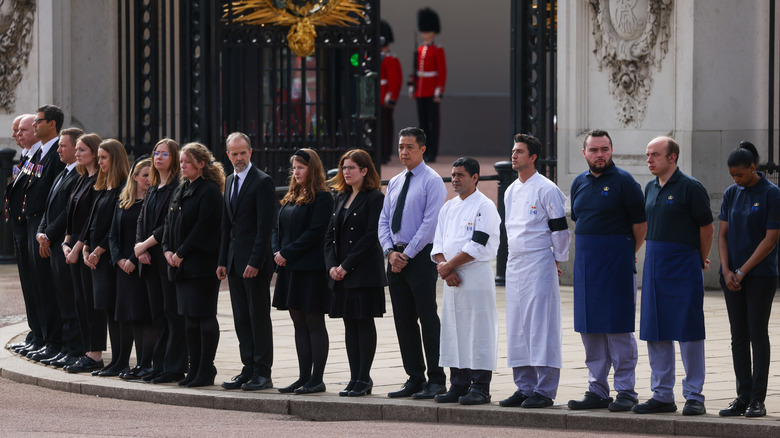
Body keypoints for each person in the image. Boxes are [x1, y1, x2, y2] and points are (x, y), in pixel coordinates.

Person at [633, 136, 713, 416]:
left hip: (683, 266)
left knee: (689, 331)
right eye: (647, 155)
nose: (649, 160)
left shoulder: (691, 187)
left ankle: (694, 395)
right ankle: (662, 394)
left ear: (672, 158)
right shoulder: (650, 188)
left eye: (655, 154)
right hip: (655, 266)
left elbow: (707, 228)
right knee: (656, 331)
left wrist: (698, 258)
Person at [567, 129, 646, 412]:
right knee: (590, 330)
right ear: (584, 153)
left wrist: (626, 254)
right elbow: (578, 220)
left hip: (616, 267)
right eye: (594, 150)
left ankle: (626, 390)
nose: (600, 155)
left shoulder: (625, 182)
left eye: (605, 149)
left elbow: (640, 226)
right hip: (587, 268)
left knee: (618, 329)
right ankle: (597, 390)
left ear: (611, 151)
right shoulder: (578, 183)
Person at [500, 133, 570, 409]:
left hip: (539, 261)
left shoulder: (547, 189)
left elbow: (560, 229)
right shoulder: (510, 191)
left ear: (533, 157)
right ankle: (524, 386)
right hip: (515, 262)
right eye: (513, 150)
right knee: (517, 325)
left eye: (519, 151)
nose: (514, 155)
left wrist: (557, 259)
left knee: (541, 324)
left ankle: (545, 388)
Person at [378, 127, 447, 399]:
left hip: (419, 259)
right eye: (400, 147)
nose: (404, 152)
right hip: (395, 258)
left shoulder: (431, 181)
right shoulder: (394, 182)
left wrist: (406, 255)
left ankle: (437, 378)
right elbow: (384, 221)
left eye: (409, 147)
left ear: (422, 150)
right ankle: (414, 377)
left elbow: (430, 224)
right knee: (403, 320)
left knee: (428, 318)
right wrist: (390, 252)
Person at [717, 141, 780, 418]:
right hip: (732, 277)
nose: (736, 180)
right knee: (737, 336)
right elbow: (723, 234)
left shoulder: (771, 194)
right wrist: (727, 269)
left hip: (760, 276)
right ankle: (742, 396)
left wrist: (742, 270)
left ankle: (758, 399)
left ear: (753, 168)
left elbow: (770, 239)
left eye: (740, 175)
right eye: (732, 175)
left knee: (757, 334)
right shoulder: (732, 193)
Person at [430, 157, 500, 406]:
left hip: (475, 275)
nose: (455, 179)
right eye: (453, 175)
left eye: (461, 175)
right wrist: (446, 269)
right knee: (454, 330)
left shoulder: (484, 206)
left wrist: (450, 265)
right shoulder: (448, 207)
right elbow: (438, 243)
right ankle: (458, 384)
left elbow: (477, 243)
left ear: (475, 178)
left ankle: (480, 386)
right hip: (452, 280)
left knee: (478, 330)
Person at [325, 149, 386, 397]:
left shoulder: (374, 198)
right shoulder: (341, 196)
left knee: (363, 323)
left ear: (364, 170)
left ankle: (364, 378)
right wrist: (332, 265)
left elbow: (371, 237)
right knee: (350, 325)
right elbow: (330, 235)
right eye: (344, 168)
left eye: (351, 168)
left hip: (363, 272)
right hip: (340, 272)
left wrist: (346, 265)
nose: (346, 172)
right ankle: (354, 377)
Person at [217, 133, 276, 391]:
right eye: (234, 153)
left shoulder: (263, 181)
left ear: (250, 152)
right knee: (241, 318)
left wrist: (255, 261)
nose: (239, 158)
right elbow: (226, 226)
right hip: (233, 263)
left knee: (258, 317)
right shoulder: (229, 180)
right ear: (227, 155)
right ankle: (248, 368)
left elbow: (265, 228)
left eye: (243, 153)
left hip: (255, 264)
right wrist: (222, 261)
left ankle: (263, 372)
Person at [162, 142, 224, 388]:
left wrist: (182, 252)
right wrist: (167, 249)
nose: (183, 166)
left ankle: (206, 368)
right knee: (188, 319)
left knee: (203, 317)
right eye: (181, 162)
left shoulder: (209, 191)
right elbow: (169, 222)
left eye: (187, 162)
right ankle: (193, 367)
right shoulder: (182, 188)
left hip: (200, 265)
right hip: (180, 265)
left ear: (201, 163)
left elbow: (204, 229)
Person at [272, 148, 333, 394]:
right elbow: (277, 228)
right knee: (298, 322)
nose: (296, 172)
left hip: (310, 268)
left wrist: (287, 253)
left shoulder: (323, 197)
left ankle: (317, 379)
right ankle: (303, 377)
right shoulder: (292, 194)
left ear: (312, 169)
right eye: (294, 167)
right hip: (290, 268)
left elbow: (315, 232)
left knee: (313, 321)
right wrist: (277, 251)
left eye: (301, 167)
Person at [134, 138, 187, 383]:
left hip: (164, 256)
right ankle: (160, 363)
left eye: (164, 154)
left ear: (174, 158)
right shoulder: (154, 186)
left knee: (170, 313)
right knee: (157, 314)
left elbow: (166, 225)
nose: (158, 157)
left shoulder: (176, 187)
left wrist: (145, 245)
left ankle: (174, 366)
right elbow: (142, 219)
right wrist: (139, 247)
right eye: (156, 153)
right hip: (148, 258)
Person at [35, 127, 85, 367]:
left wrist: (49, 233)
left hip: (65, 243)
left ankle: (74, 348)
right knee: (59, 297)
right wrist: (41, 232)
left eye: (63, 146)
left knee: (69, 298)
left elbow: (68, 212)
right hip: (53, 243)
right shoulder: (62, 173)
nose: (58, 150)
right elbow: (48, 208)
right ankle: (64, 347)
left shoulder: (78, 176)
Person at [84, 139, 131, 377]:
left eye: (104, 157)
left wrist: (98, 250)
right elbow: (93, 223)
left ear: (115, 158)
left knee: (116, 310)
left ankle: (122, 360)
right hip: (96, 258)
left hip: (109, 258)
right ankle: (116, 360)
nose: (99, 161)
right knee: (106, 309)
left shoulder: (123, 186)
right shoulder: (103, 186)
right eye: (99, 157)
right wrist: (85, 248)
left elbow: (115, 227)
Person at [24, 105, 67, 362]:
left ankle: (54, 340)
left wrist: (48, 232)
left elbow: (57, 199)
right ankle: (42, 337)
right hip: (34, 223)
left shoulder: (55, 155)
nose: (34, 126)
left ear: (52, 124)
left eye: (38, 121)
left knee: (49, 288)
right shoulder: (38, 153)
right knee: (37, 286)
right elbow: (28, 183)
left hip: (46, 224)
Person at [62, 133, 105, 373]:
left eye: (81, 150)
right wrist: (66, 243)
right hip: (74, 249)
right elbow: (72, 216)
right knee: (80, 301)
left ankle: (95, 353)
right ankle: (86, 350)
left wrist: (78, 247)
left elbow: (91, 221)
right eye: (76, 150)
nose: (77, 154)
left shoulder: (98, 180)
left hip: (86, 250)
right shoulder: (81, 178)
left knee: (91, 302)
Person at [109, 156, 155, 381]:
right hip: (122, 268)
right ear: (135, 177)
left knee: (143, 315)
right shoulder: (123, 201)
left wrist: (131, 260)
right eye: (145, 175)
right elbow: (112, 235)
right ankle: (132, 363)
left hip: (140, 265)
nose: (148, 179)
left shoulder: (152, 201)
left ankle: (146, 363)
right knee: (130, 317)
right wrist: (119, 259)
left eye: (151, 175)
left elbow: (147, 236)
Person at [5, 114, 42, 356]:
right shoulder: (27, 156)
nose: (17, 135)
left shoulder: (40, 156)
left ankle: (43, 336)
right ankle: (36, 333)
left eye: (22, 130)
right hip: (21, 228)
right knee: (30, 286)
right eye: (16, 131)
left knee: (39, 287)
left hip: (32, 227)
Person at [409, 8, 446, 163]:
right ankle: (424, 151)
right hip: (420, 91)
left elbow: (442, 72)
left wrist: (439, 91)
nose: (425, 34)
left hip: (431, 90)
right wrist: (412, 86)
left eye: (427, 31)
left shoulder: (437, 50)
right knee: (422, 124)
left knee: (433, 124)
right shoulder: (419, 50)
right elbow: (415, 70)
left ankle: (432, 152)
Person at [380, 20, 402, 164]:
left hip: (384, 98)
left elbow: (394, 80)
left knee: (385, 127)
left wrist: (390, 97)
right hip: (375, 97)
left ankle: (385, 154)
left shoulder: (390, 58)